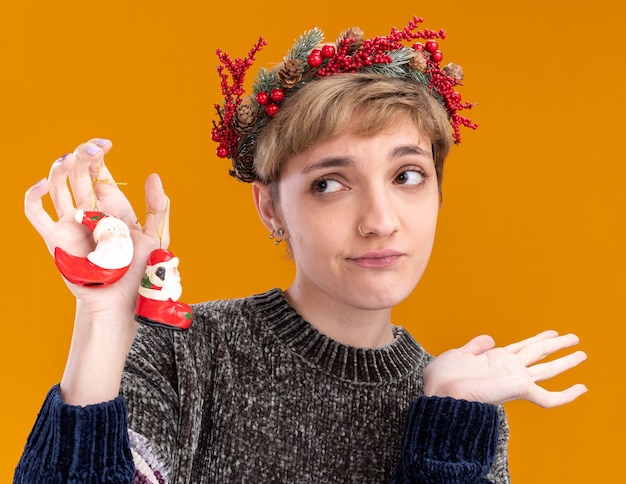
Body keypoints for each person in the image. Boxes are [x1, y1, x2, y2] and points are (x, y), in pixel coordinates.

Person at [14, 16, 587, 483]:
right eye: (329, 183)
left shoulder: (461, 403)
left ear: (439, 192)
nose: (380, 221)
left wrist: (450, 416)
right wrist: (102, 326)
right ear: (270, 208)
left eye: (408, 175)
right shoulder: (182, 355)